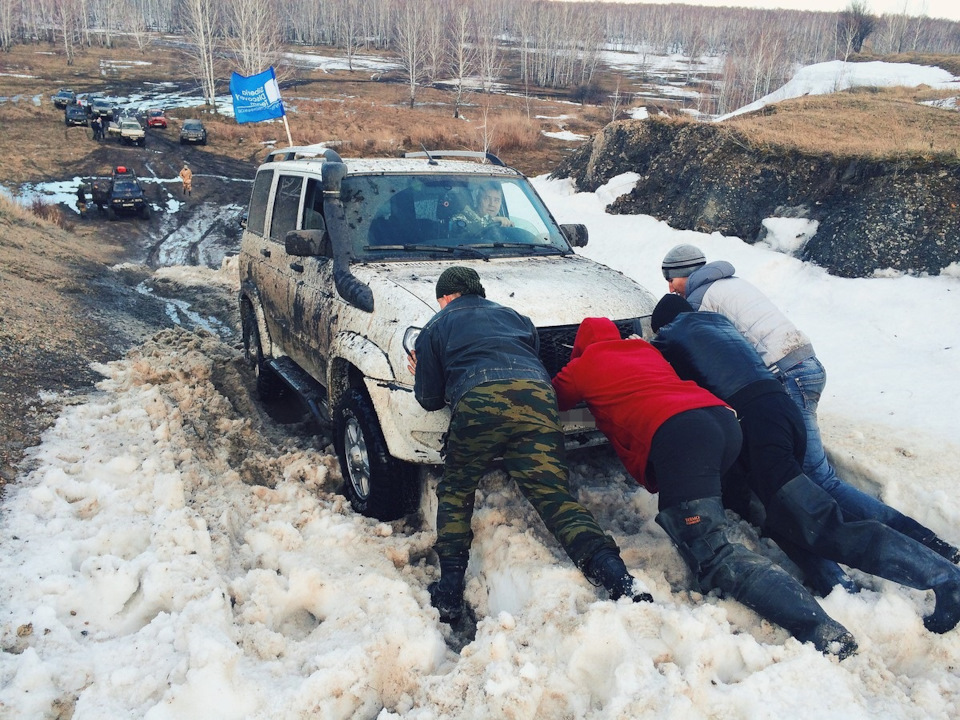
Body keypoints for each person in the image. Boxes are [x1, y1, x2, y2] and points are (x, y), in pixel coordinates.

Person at [650, 294, 960, 635]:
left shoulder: (668, 338)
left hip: (753, 422)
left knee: (820, 519)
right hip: (782, 409)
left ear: (662, 324)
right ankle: (835, 583)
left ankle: (944, 578)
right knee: (781, 512)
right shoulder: (720, 324)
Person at [552, 317, 856, 658]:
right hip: (721, 419)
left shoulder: (584, 364)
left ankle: (819, 628)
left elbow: (555, 400)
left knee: (713, 554)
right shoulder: (642, 348)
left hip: (682, 435)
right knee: (700, 520)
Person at [661, 245, 960, 570]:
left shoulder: (700, 302)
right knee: (806, 473)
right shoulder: (731, 283)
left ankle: (920, 545)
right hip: (806, 365)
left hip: (785, 376)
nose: (669, 287)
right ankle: (912, 544)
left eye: (671, 278)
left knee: (815, 479)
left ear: (685, 273)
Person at [408, 267, 649, 623]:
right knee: (556, 498)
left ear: (445, 297)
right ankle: (620, 581)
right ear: (480, 291)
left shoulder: (435, 326)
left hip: (479, 402)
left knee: (457, 490)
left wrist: (423, 372)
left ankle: (449, 592)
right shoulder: (517, 318)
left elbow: (428, 399)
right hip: (537, 397)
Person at [449, 181, 514, 237]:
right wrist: (490, 221)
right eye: (487, 198)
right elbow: (462, 236)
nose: (492, 204)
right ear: (477, 199)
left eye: (496, 200)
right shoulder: (460, 218)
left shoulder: (502, 224)